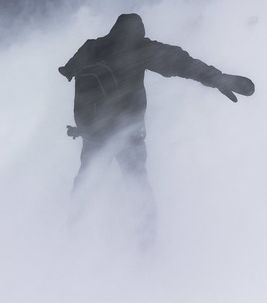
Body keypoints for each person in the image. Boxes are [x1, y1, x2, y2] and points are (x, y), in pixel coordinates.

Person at [59, 13, 254, 245]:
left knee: (85, 186)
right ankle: (146, 247)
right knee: (138, 189)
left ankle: (73, 237)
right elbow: (181, 63)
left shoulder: (92, 46)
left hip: (93, 135)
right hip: (128, 136)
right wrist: (218, 78)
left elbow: (68, 71)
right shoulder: (140, 48)